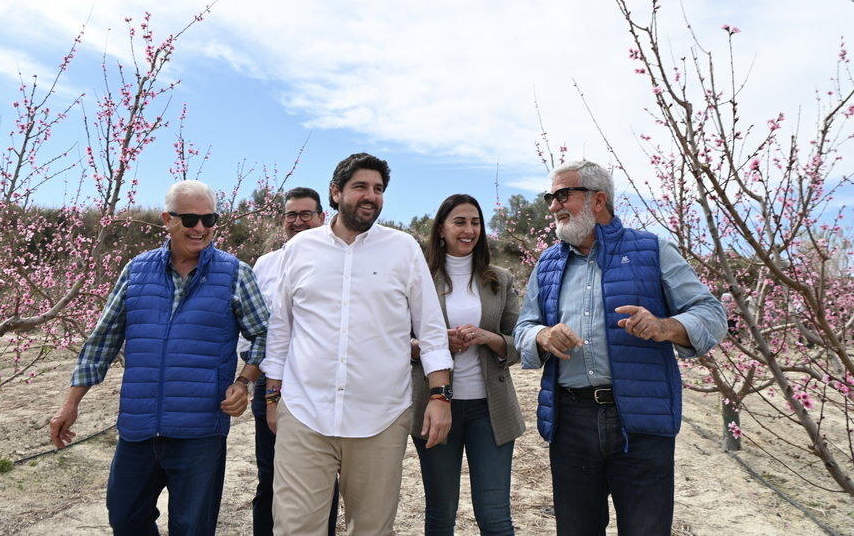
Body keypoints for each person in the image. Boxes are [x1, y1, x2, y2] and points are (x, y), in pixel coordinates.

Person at [514, 160, 727, 536]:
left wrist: (666, 327)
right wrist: (542, 337)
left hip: (641, 422)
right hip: (571, 421)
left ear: (598, 199)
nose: (553, 206)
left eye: (563, 195)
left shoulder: (652, 250)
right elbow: (524, 328)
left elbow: (711, 314)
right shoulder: (547, 263)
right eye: (551, 197)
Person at [49, 180, 269, 536]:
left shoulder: (235, 274)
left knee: (192, 528)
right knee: (125, 518)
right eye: (190, 219)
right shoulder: (137, 271)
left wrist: (245, 382)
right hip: (138, 429)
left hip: (200, 433)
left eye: (209, 219)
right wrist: (71, 403)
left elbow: (263, 333)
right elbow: (103, 339)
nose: (200, 228)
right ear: (167, 219)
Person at [261, 153, 454, 536]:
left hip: (381, 416)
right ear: (335, 193)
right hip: (304, 413)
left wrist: (440, 397)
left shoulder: (403, 250)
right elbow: (281, 328)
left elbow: (431, 329)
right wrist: (272, 398)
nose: (371, 196)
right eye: (360, 187)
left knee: (370, 530)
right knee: (294, 528)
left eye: (378, 189)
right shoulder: (299, 250)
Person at [410, 194, 525, 536]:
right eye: (459, 222)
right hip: (433, 407)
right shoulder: (419, 279)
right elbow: (394, 340)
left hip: (490, 410)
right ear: (441, 229)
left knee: (495, 517)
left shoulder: (499, 279)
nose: (469, 229)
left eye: (475, 222)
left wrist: (488, 338)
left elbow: (520, 341)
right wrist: (431, 343)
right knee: (441, 513)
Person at [236, 187, 340, 536]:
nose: (298, 221)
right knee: (271, 475)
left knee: (324, 478)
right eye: (291, 216)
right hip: (272, 384)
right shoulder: (265, 265)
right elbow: (249, 329)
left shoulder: (340, 261)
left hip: (322, 384)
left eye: (306, 214)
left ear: (322, 217)